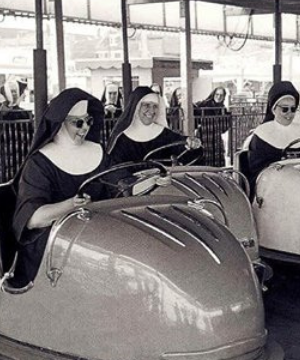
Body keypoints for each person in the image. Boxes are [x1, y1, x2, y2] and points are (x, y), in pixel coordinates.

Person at [10, 88, 110, 289]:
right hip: (50, 245)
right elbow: (33, 219)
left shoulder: (98, 152)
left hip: (95, 235)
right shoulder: (39, 163)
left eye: (88, 121)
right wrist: (70, 205)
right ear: (60, 123)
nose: (85, 128)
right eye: (78, 123)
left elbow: (121, 187)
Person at [247, 81, 300, 190]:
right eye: (284, 109)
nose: (289, 114)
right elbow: (258, 170)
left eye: (293, 109)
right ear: (274, 109)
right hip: (273, 187)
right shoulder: (262, 134)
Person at [107, 86, 185, 164]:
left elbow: (183, 148)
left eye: (155, 106)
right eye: (146, 105)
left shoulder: (164, 134)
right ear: (136, 107)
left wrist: (189, 142)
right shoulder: (121, 139)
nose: (151, 111)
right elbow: (114, 167)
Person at [195, 87, 230, 167]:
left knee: (218, 156)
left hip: (216, 135)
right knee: (204, 155)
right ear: (213, 94)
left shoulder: (223, 108)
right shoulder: (204, 104)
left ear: (224, 97)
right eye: (217, 94)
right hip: (204, 135)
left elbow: (223, 128)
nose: (219, 97)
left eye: (221, 95)